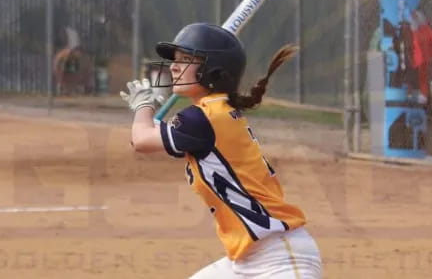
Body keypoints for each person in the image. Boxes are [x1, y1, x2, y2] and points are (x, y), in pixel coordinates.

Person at [120, 23, 322, 278]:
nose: (173, 66)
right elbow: (146, 136)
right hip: (246, 260)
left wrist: (144, 106)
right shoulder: (211, 115)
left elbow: (141, 140)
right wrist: (147, 115)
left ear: (211, 71)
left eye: (185, 59)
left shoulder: (202, 119)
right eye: (176, 60)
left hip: (279, 259)